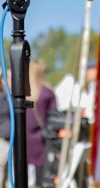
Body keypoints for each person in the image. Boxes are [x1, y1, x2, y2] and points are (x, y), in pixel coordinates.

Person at [26, 60, 57, 188]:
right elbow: (55, 116)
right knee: (41, 178)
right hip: (41, 140)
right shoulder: (47, 92)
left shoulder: (22, 93)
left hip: (24, 140)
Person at [0, 69, 11, 188]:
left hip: (14, 141)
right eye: (8, 77)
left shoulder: (17, 98)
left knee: (12, 173)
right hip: (2, 140)